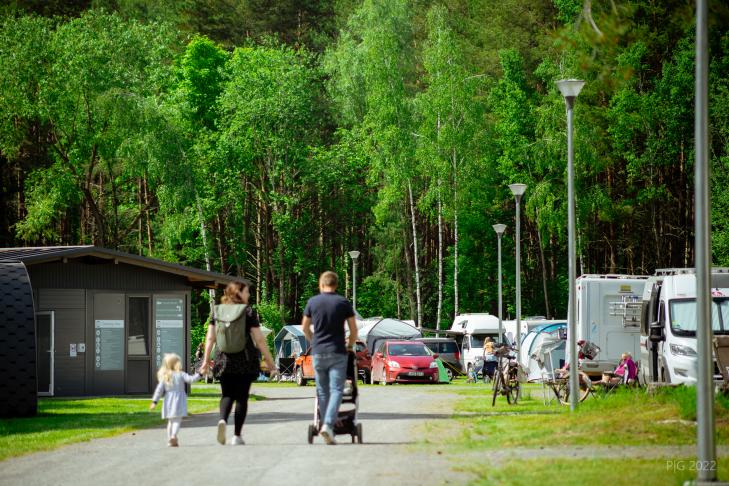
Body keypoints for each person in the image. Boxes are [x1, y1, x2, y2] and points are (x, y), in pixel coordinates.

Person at [199, 280, 277, 445]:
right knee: (241, 398)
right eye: (247, 292)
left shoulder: (217, 311)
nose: (248, 295)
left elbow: (210, 338)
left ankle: (222, 420)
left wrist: (206, 361)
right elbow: (259, 340)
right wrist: (270, 363)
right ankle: (237, 436)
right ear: (238, 293)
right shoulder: (248, 312)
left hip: (223, 359)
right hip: (245, 360)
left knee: (227, 394)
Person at [302, 271, 358, 445]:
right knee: (336, 390)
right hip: (337, 351)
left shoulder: (313, 302)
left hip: (318, 352)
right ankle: (328, 425)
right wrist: (349, 345)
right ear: (336, 284)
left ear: (321, 284)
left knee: (322, 391)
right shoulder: (343, 302)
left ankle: (327, 426)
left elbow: (304, 327)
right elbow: (354, 330)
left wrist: (314, 341)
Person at [150, 353, 201, 447]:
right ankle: (174, 436)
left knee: (170, 421)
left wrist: (154, 401)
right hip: (179, 401)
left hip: (168, 400)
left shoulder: (165, 376)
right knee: (177, 420)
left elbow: (159, 390)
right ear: (177, 363)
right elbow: (191, 379)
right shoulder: (181, 374)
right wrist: (200, 374)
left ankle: (170, 439)